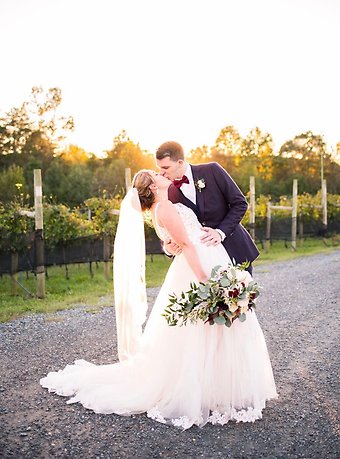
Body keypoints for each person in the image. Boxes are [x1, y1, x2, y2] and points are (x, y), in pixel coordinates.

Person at [40, 170, 277, 430]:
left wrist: (171, 246)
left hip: (203, 259)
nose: (161, 174)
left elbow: (173, 241)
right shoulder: (163, 207)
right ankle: (208, 390)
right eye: (156, 174)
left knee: (204, 331)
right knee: (203, 331)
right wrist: (207, 283)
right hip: (198, 266)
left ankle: (215, 388)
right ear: (153, 186)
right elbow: (185, 245)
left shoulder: (161, 207)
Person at [155, 141, 259, 274]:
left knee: (242, 293)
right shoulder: (169, 192)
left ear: (180, 163)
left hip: (233, 248)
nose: (162, 173)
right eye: (159, 168)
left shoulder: (212, 170)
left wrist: (220, 232)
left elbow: (240, 204)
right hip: (204, 261)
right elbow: (170, 228)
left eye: (166, 168)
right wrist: (168, 249)